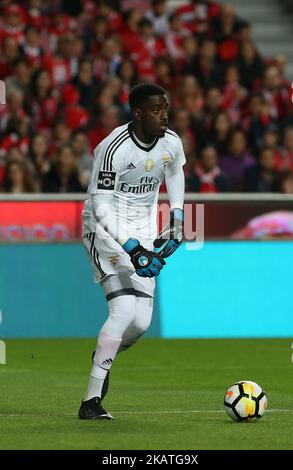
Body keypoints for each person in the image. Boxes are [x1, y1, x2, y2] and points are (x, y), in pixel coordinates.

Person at [79, 82, 186, 420]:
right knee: (123, 309)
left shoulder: (171, 142)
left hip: (143, 231)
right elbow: (101, 206)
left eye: (166, 108)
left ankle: (103, 356)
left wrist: (178, 217)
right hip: (107, 233)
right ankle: (91, 402)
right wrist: (132, 249)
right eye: (157, 109)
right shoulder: (113, 149)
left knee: (140, 324)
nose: (164, 115)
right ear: (138, 113)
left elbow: (175, 170)